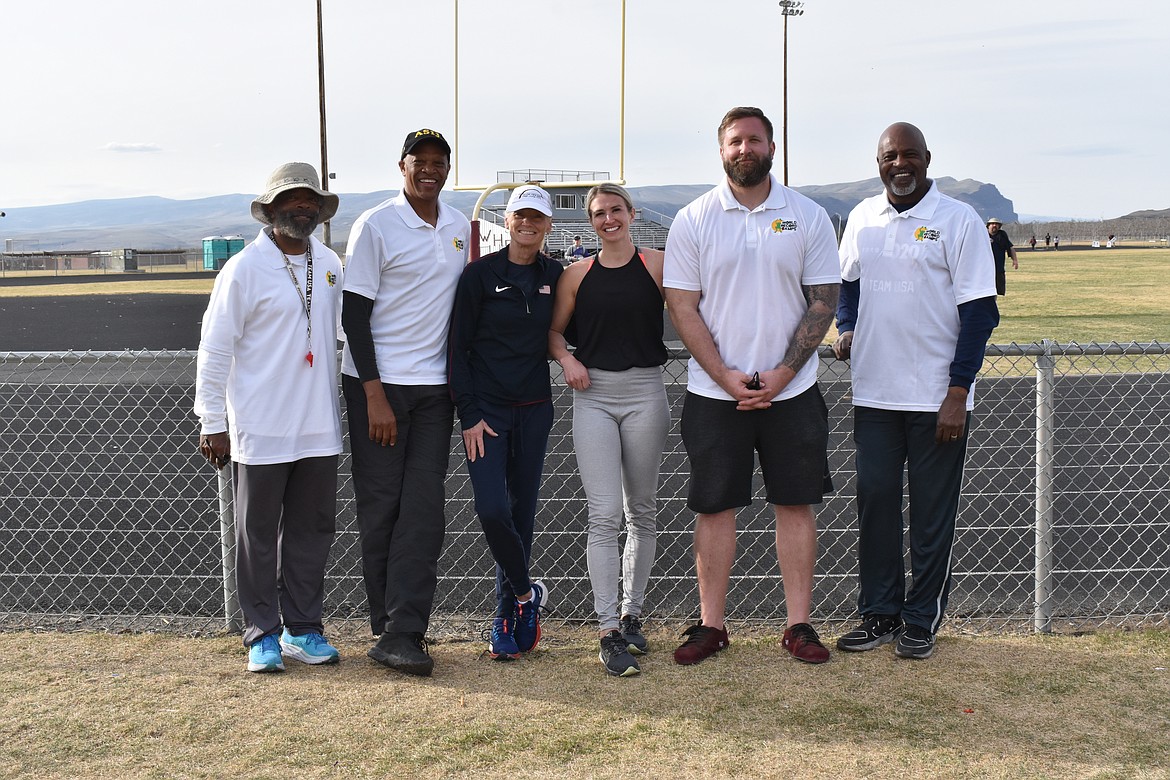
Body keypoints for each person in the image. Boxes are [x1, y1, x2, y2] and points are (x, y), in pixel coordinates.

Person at [663, 106, 840, 667]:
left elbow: (824, 299)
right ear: (721, 150)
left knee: (795, 503)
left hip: (792, 392)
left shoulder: (807, 215)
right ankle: (711, 625)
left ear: (772, 147)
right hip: (717, 394)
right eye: (735, 141)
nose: (745, 149)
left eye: (755, 140)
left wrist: (784, 372)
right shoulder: (693, 219)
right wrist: (725, 376)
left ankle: (799, 625)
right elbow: (683, 307)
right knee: (715, 507)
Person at [833, 122, 999, 660]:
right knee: (876, 503)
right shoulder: (862, 218)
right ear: (877, 162)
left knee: (931, 513)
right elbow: (849, 284)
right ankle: (880, 613)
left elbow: (980, 311)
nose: (899, 164)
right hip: (875, 394)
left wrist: (957, 390)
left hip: (937, 399)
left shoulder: (958, 220)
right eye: (889, 156)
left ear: (927, 158)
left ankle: (921, 619)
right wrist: (848, 324)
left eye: (909, 155)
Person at [194, 162, 344, 673]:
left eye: (309, 200)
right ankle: (262, 633)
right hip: (259, 426)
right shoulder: (242, 269)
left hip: (318, 424)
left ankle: (304, 628)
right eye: (290, 200)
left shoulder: (328, 263)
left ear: (319, 210)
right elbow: (214, 349)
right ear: (271, 208)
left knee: (312, 529)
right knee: (257, 532)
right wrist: (211, 417)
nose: (300, 208)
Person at [341, 128, 471, 677]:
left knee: (424, 509)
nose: (430, 170)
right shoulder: (375, 224)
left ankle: (405, 629)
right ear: (402, 166)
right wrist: (374, 395)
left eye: (440, 162)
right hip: (380, 387)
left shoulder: (461, 226)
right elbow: (354, 315)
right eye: (421, 161)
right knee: (383, 508)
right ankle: (386, 624)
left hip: (434, 391)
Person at [548, 183, 670, 677]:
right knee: (603, 514)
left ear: (631, 214)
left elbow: (696, 311)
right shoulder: (576, 275)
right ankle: (606, 629)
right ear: (591, 221)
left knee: (640, 509)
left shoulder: (657, 265)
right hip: (594, 397)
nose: (608, 219)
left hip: (646, 394)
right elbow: (554, 332)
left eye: (615, 210)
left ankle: (631, 613)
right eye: (599, 213)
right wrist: (565, 360)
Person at [448, 184, 563, 661]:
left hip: (534, 411)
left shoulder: (557, 275)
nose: (528, 224)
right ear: (508, 220)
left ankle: (505, 616)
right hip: (487, 416)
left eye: (537, 217)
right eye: (521, 216)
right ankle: (523, 593)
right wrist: (469, 415)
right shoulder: (478, 275)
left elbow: (573, 327)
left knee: (521, 515)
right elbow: (456, 349)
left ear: (548, 225)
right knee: (493, 509)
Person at [986, 217, 1018, 296]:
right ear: (988, 226)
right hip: (986, 270)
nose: (994, 225)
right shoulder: (983, 235)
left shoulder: (1002, 236)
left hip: (999, 269)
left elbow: (1010, 248)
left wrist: (1015, 260)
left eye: (996, 224)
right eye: (992, 224)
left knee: (997, 291)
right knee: (986, 292)